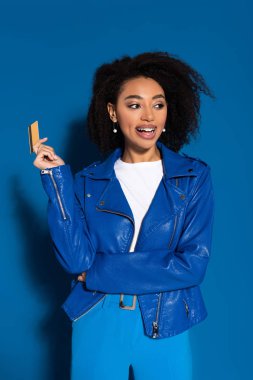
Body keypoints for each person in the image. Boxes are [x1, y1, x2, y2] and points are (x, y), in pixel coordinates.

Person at [33, 51, 215, 380]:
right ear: (112, 112)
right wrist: (57, 182)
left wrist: (98, 271)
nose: (149, 116)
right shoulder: (88, 181)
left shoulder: (192, 177)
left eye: (158, 104)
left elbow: (192, 264)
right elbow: (76, 262)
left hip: (167, 316)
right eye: (134, 105)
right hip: (96, 315)